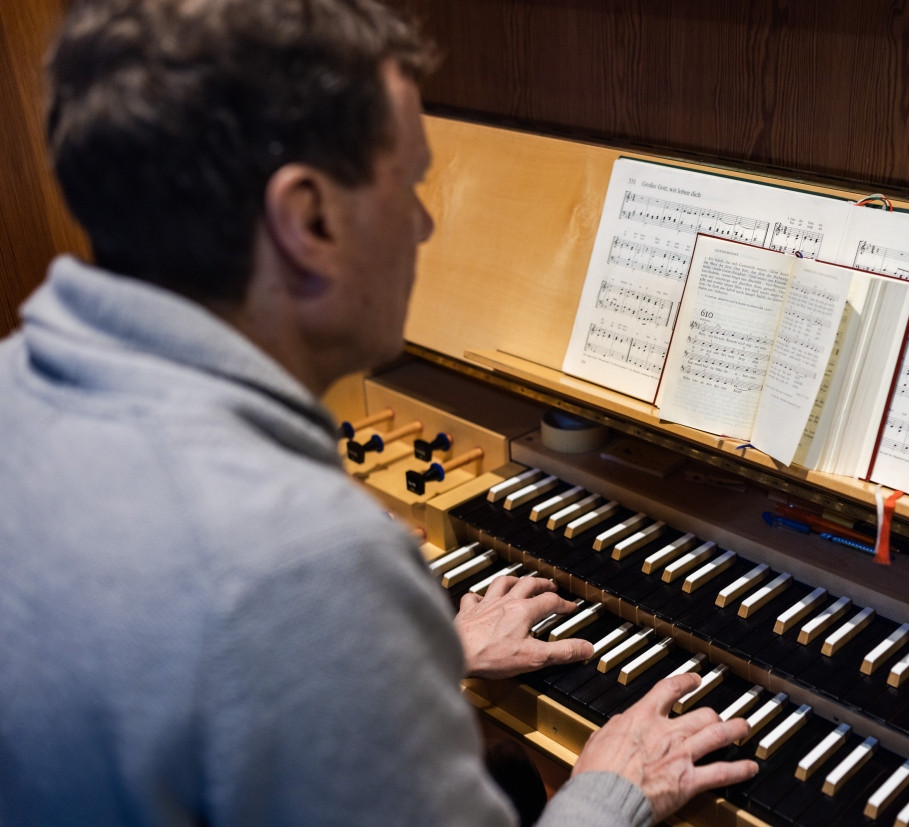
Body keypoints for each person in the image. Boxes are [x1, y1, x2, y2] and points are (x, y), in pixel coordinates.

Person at [0, 1, 758, 825]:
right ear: (309, 220)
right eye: (409, 185)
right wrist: (614, 794)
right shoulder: (306, 560)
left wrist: (410, 670)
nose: (428, 224)